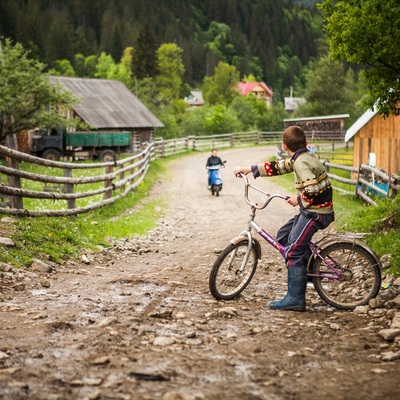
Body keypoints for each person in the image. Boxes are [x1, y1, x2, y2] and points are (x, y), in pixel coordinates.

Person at [233, 126, 334, 311]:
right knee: (283, 237)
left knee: (293, 251)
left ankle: (295, 299)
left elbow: (312, 189)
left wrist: (300, 198)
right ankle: (305, 273)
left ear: (284, 146)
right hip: (313, 210)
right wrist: (249, 169)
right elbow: (280, 166)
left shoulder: (301, 163)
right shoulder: (304, 156)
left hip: (317, 212)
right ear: (306, 143)